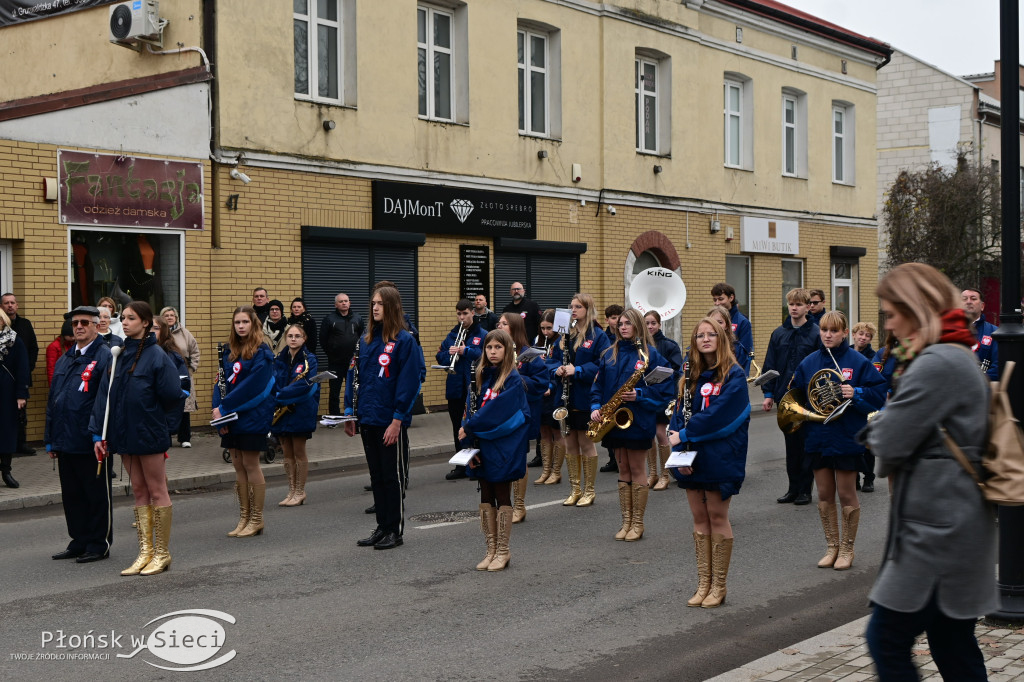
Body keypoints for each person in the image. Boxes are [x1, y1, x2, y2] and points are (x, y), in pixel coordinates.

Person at [862, 263, 996, 681]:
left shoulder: (936, 362)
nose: (889, 324)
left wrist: (877, 426)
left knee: (886, 639)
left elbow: (888, 442)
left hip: (937, 533)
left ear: (915, 308)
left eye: (892, 313)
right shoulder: (953, 352)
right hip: (953, 525)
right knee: (953, 647)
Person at [90, 301, 181, 576]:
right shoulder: (118, 354)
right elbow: (106, 397)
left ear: (145, 322)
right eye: (124, 318)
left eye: (131, 318)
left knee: (157, 490)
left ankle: (162, 553)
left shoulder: (157, 355)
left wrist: (155, 420)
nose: (125, 322)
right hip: (124, 432)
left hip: (149, 432)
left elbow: (172, 395)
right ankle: (145, 552)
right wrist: (101, 433)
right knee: (139, 490)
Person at [791, 311, 886, 571]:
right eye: (824, 330)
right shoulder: (809, 362)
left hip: (846, 435)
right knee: (823, 493)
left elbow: (878, 395)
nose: (828, 335)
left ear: (845, 333)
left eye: (834, 331)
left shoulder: (858, 361)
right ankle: (832, 546)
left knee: (846, 493)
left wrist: (856, 392)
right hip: (818, 435)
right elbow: (796, 394)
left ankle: (847, 548)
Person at [669, 316, 750, 607]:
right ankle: (703, 583)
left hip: (720, 455)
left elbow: (720, 417)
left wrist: (685, 435)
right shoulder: (688, 375)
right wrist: (680, 451)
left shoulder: (734, 375)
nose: (705, 339)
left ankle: (719, 586)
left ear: (721, 338)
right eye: (700, 335)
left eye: (711, 334)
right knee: (699, 518)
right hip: (691, 455)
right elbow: (677, 417)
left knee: (717, 517)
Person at [345, 285, 425, 551]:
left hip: (389, 420)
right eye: (373, 303)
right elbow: (354, 377)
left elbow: (409, 382)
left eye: (380, 303)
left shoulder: (405, 341)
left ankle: (394, 530)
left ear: (392, 306)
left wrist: (398, 419)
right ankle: (382, 526)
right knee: (377, 476)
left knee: (392, 477)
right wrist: (349, 412)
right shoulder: (366, 340)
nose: (375, 308)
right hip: (368, 417)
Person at [590, 309, 671, 541]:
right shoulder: (609, 354)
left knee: (637, 470)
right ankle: (626, 521)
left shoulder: (651, 355)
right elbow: (598, 385)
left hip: (639, 420)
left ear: (637, 326)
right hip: (614, 421)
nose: (623, 327)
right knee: (623, 470)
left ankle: (638, 523)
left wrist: (640, 395)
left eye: (628, 323)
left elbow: (665, 390)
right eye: (621, 324)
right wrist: (595, 406)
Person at [46, 306, 114, 562]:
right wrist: (50, 438)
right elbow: (54, 400)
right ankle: (79, 540)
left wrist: (99, 435)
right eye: (75, 323)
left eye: (85, 322)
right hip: (66, 439)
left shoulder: (105, 356)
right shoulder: (66, 358)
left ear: (97, 326)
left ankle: (98, 544)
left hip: (91, 440)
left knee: (95, 495)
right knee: (72, 495)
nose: (79, 327)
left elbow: (105, 400)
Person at [459, 329, 529, 571]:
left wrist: (471, 427)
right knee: (485, 495)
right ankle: (490, 549)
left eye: (498, 347)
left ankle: (503, 551)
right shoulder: (480, 376)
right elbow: (470, 410)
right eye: (489, 347)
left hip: (502, 446)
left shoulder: (512, 379)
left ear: (507, 350)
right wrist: (467, 440)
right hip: (482, 444)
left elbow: (498, 410)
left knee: (501, 494)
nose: (493, 352)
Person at [213, 306, 276, 539]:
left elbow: (254, 387)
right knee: (237, 465)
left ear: (253, 324)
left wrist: (225, 407)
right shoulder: (230, 351)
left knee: (251, 464)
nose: (240, 326)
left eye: (245, 322)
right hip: (230, 415)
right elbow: (220, 382)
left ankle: (257, 519)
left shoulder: (262, 352)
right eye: (237, 322)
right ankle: (244, 517)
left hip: (252, 415)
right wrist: (218, 411)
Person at [761, 288, 820, 506]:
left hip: (807, 399)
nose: (794, 308)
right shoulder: (778, 333)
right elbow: (770, 365)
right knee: (791, 445)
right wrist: (768, 393)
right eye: (791, 304)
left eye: (799, 304)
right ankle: (792, 489)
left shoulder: (816, 333)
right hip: (784, 397)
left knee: (805, 445)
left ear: (808, 307)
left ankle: (805, 490)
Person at [554, 293, 611, 507]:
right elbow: (554, 360)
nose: (573, 310)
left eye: (578, 306)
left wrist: (578, 370)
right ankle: (575, 489)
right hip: (566, 397)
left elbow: (603, 365)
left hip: (585, 395)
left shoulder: (598, 335)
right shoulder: (566, 334)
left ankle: (589, 490)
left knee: (586, 443)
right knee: (570, 443)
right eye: (572, 306)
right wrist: (558, 369)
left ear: (588, 309)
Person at [496, 312, 548, 523]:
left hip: (520, 414)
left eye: (504, 323)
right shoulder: (496, 350)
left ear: (514, 328)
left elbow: (541, 382)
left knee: (518, 458)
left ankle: (519, 505)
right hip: (500, 413)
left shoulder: (528, 353)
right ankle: (504, 503)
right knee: (502, 458)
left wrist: (517, 377)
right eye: (498, 323)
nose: (499, 326)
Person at [272, 324, 320, 507]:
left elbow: (305, 384)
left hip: (300, 410)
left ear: (304, 338)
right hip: (282, 411)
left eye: (297, 336)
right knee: (287, 453)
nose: (293, 339)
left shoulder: (310, 359)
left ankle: (300, 491)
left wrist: (281, 394)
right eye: (290, 336)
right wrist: (277, 395)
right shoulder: (279, 359)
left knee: (299, 451)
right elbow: (273, 379)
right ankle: (291, 490)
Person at [438, 299, 484, 481]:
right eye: (459, 314)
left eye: (465, 313)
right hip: (455, 388)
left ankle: (478, 463)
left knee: (474, 425)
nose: (462, 317)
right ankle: (461, 465)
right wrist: (448, 353)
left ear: (472, 313)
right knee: (457, 426)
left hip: (474, 387)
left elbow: (485, 356)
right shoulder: (452, 335)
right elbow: (440, 356)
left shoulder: (483, 334)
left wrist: (466, 351)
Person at [644, 310, 683, 490]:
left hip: (663, 395)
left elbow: (677, 371)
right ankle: (652, 473)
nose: (650, 326)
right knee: (649, 435)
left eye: (653, 323)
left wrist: (662, 375)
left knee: (661, 434)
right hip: (646, 395)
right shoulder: (640, 345)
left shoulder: (669, 345)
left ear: (659, 325)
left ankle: (665, 475)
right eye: (646, 323)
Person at [2, 293, 37, 456]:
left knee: (20, 413)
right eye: (6, 303)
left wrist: (27, 368)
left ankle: (20, 444)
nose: (10, 305)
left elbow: (33, 348)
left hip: (20, 378)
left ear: (17, 305)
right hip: (5, 380)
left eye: (12, 302)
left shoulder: (24, 324)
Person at [534, 309, 565, 486]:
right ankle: (546, 470)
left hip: (554, 391)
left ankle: (556, 471)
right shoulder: (537, 342)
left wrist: (551, 385)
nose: (545, 332)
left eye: (549, 328)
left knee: (556, 431)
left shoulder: (561, 342)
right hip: (540, 392)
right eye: (543, 328)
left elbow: (562, 366)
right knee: (543, 431)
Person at [161, 307, 200, 448]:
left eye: (172, 315)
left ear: (176, 318)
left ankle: (184, 438)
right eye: (166, 315)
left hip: (183, 374)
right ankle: (166, 437)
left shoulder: (185, 333)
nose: (169, 317)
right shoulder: (159, 333)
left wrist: (191, 368)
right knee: (165, 405)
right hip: (165, 375)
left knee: (183, 405)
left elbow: (195, 351)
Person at [319, 293, 363, 417]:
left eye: (346, 301)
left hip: (352, 362)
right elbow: (322, 339)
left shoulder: (358, 318)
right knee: (334, 391)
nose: (344, 303)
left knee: (354, 390)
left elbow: (362, 338)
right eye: (341, 301)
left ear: (349, 303)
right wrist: (332, 353)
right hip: (335, 362)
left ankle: (354, 416)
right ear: (335, 305)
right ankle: (334, 417)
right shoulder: (329, 319)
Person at [0, 309, 29, 488]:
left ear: (3, 321)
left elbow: (22, 368)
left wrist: (21, 395)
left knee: (6, 432)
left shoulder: (14, 340)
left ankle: (6, 471)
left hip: (7, 393)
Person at [155, 323, 191, 444]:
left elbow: (183, 381)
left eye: (156, 328)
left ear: (164, 331)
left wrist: (181, 393)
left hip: (165, 406)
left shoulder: (173, 355)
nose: (151, 331)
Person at [711, 283, 753, 374]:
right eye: (715, 299)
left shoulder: (743, 322)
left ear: (731, 298)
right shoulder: (711, 320)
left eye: (721, 299)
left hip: (733, 371)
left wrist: (737, 374)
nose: (717, 303)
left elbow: (745, 354)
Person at [961, 288, 999, 381]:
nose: (968, 302)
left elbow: (998, 366)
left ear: (982, 306)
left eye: (973, 299)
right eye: (964, 299)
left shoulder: (994, 332)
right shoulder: (949, 330)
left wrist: (977, 381)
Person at [502, 281, 541, 345]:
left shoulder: (533, 306)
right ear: (510, 292)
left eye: (518, 289)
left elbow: (540, 324)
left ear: (523, 291)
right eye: (514, 289)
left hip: (530, 344)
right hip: (511, 344)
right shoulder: (507, 309)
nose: (516, 291)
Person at [46, 320, 75, 386]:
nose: (73, 338)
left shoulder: (76, 344)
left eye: (74, 335)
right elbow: (51, 368)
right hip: (60, 381)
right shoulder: (53, 347)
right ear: (64, 334)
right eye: (71, 335)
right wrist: (53, 385)